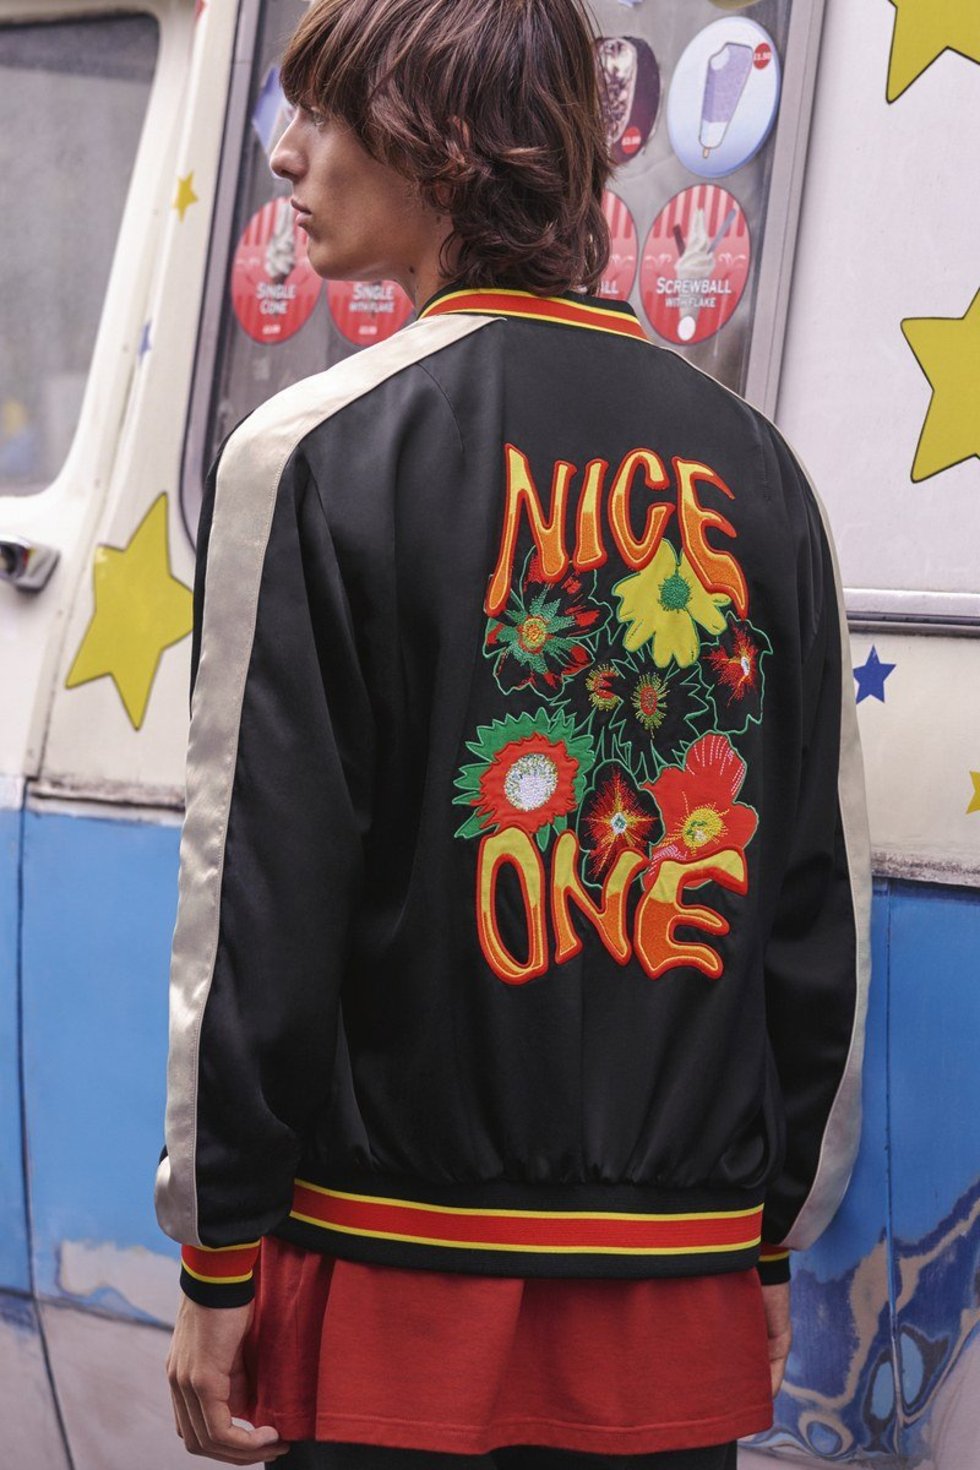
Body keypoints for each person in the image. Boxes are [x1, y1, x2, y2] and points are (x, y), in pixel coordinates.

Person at [155, 0, 871, 1466]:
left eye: (325, 115)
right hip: (677, 1301)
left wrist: (219, 1249)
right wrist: (768, 1231)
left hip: (389, 1293)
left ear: (440, 143)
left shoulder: (314, 451)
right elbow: (813, 907)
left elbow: (262, 900)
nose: (285, 158)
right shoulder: (763, 474)